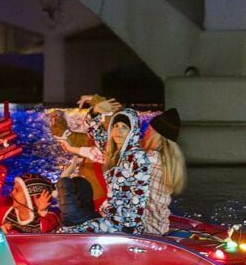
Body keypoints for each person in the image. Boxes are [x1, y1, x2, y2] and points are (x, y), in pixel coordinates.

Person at [56, 100, 184, 236]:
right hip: (139, 223)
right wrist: (94, 114)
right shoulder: (155, 159)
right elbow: (107, 147)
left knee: (70, 224)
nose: (145, 133)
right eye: (116, 126)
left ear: (157, 136)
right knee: (80, 189)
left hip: (139, 228)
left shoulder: (146, 158)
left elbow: (106, 151)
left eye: (149, 130)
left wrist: (94, 113)